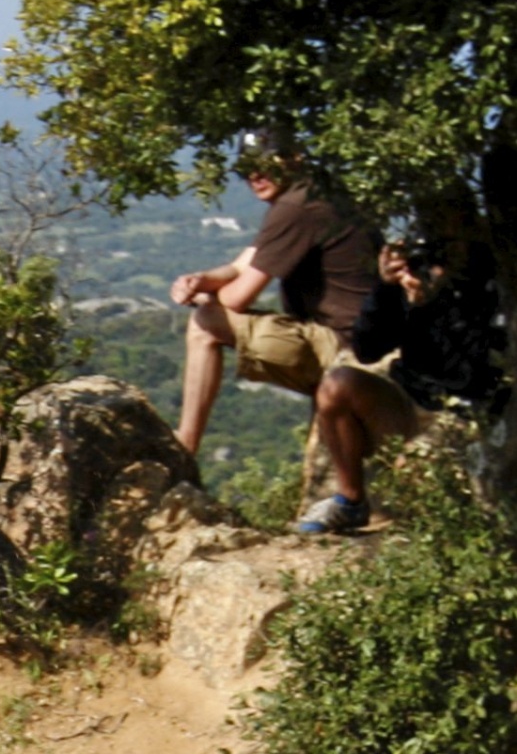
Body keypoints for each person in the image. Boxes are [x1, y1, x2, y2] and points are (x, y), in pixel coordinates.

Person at [170, 126, 377, 523]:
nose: (255, 176)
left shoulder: (297, 207)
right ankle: (185, 447)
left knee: (204, 323)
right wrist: (200, 279)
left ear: (294, 158)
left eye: (264, 164)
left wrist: (205, 298)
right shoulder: (311, 193)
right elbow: (239, 265)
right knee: (207, 311)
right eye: (246, 168)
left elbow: (236, 298)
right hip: (357, 338)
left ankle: (185, 449)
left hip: (344, 346)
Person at [303, 194, 507, 532]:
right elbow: (368, 348)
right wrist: (386, 289)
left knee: (414, 473)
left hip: (462, 413)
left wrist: (433, 304)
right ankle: (350, 501)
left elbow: (470, 369)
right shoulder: (419, 268)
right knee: (337, 386)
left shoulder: (491, 278)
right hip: (409, 400)